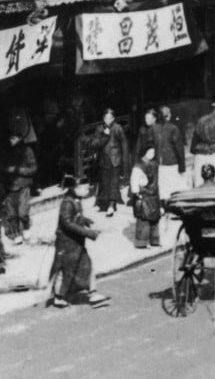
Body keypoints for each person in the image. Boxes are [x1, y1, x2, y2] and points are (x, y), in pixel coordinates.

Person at [50, 174, 109, 308]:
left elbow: (74, 218)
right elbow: (67, 223)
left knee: (86, 265)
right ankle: (59, 297)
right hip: (67, 243)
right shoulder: (67, 203)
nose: (87, 191)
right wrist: (88, 233)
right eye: (85, 189)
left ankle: (92, 294)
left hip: (75, 243)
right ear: (74, 188)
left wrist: (84, 220)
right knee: (66, 270)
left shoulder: (75, 200)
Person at [90, 108, 130, 216]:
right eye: (106, 118)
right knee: (104, 182)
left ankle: (112, 205)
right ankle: (104, 204)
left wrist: (124, 160)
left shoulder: (118, 128)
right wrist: (104, 135)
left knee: (113, 183)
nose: (108, 120)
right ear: (103, 118)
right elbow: (94, 144)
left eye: (110, 118)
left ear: (113, 118)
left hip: (115, 160)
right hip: (103, 159)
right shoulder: (99, 129)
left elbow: (124, 145)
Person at [3, 123, 37, 244]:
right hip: (10, 187)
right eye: (9, 138)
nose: (10, 140)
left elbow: (33, 169)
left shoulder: (27, 151)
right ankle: (16, 233)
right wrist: (5, 170)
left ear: (19, 138)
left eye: (13, 138)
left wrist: (17, 170)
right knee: (12, 214)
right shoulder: (6, 153)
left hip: (23, 185)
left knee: (23, 212)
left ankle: (26, 227)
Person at [153, 106, 187, 202]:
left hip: (159, 163)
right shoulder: (173, 128)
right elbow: (179, 149)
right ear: (168, 116)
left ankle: (163, 207)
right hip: (172, 162)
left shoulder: (154, 128)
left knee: (163, 188)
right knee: (175, 187)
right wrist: (182, 166)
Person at [128, 147, 160, 249]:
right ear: (144, 153)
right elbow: (134, 181)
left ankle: (154, 240)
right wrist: (136, 192)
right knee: (144, 218)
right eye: (149, 152)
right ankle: (141, 243)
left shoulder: (154, 164)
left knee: (154, 218)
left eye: (153, 152)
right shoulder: (138, 166)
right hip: (144, 194)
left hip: (154, 194)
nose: (152, 154)